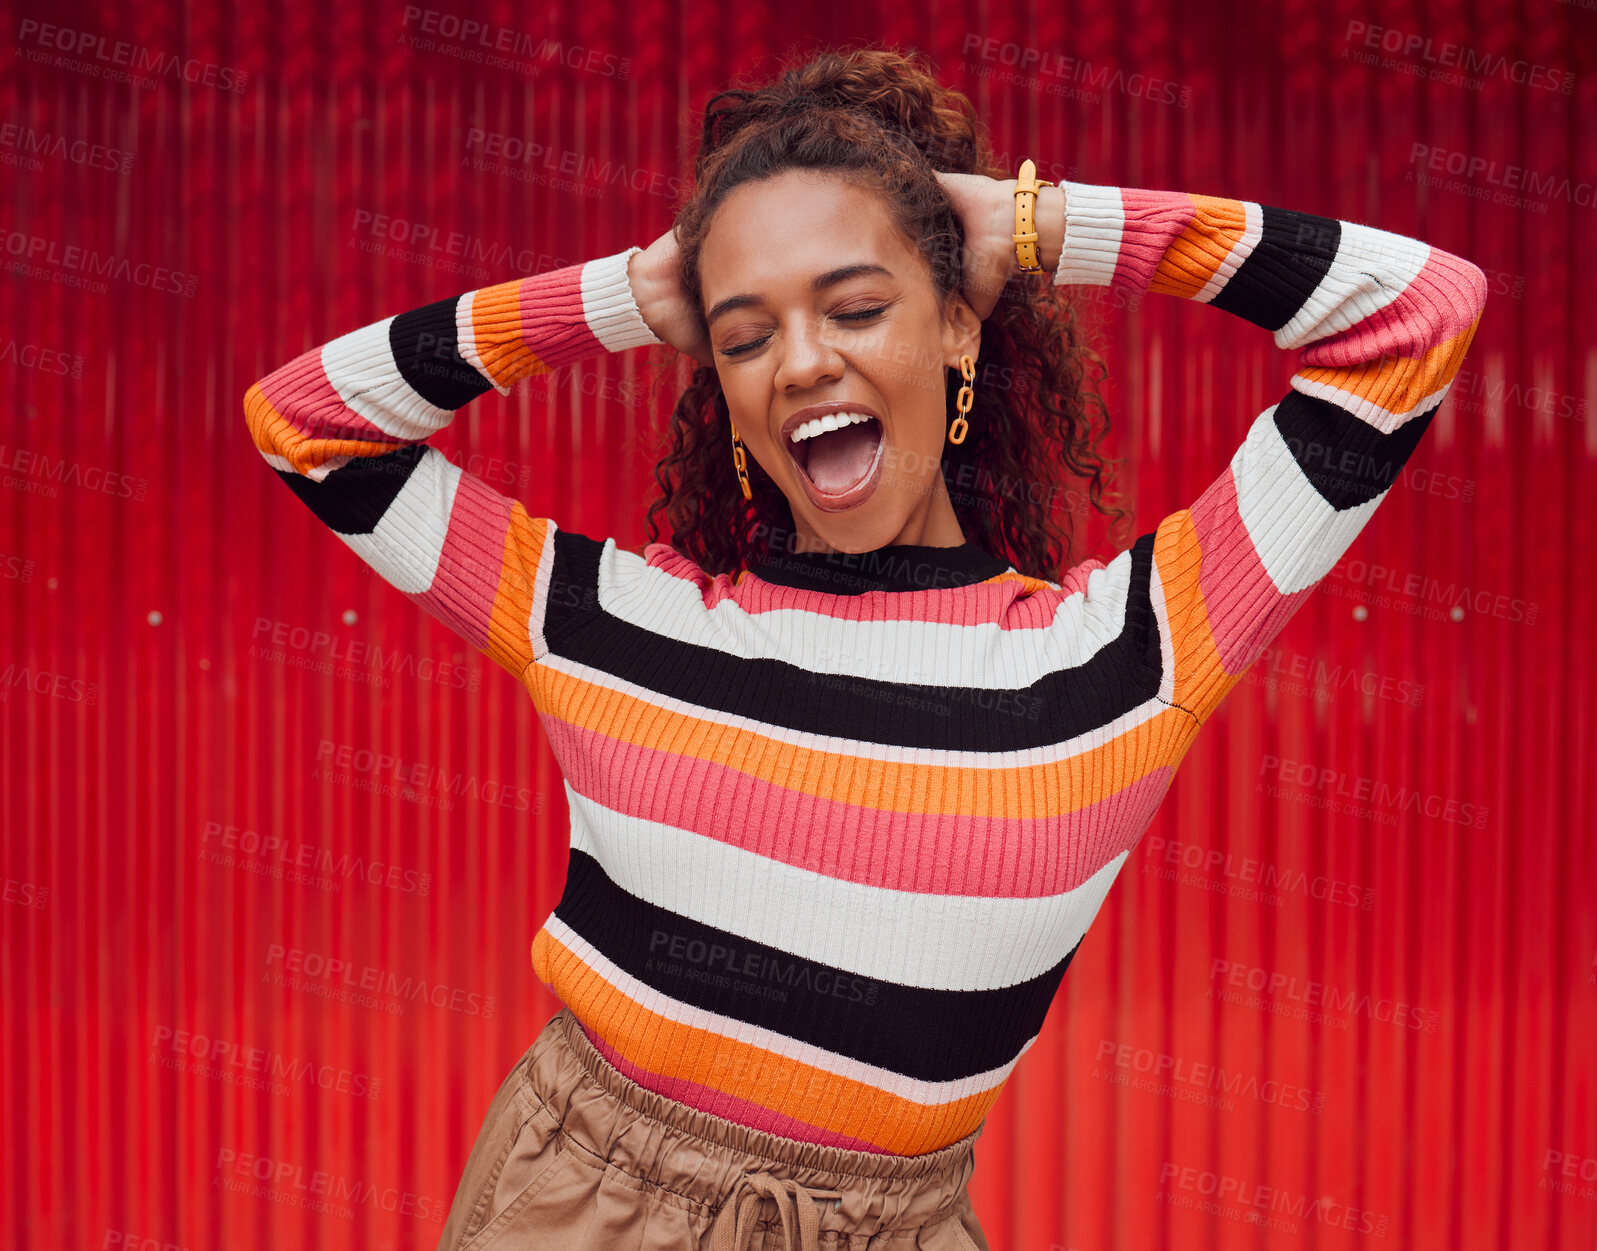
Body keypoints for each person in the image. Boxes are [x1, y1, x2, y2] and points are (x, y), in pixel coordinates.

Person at [241, 44, 1487, 1251]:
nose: (802, 362)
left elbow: (1415, 313)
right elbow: (306, 422)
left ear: (957, 331)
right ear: (716, 380)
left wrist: (1041, 228)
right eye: (744, 335)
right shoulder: (608, 624)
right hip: (579, 1204)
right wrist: (622, 298)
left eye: (856, 307)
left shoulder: (1125, 658)